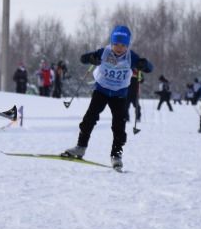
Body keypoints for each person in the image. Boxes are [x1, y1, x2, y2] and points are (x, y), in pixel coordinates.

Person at [61, 25, 153, 169]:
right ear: (111, 42)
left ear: (127, 45)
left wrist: (144, 64)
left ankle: (116, 155)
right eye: (116, 44)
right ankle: (81, 147)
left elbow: (149, 68)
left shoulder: (131, 56)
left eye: (123, 45)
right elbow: (82, 58)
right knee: (89, 119)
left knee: (119, 125)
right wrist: (91, 58)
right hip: (101, 90)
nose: (119, 48)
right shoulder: (104, 52)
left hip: (120, 94)